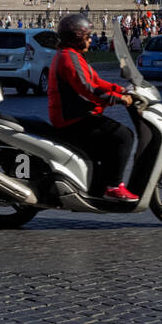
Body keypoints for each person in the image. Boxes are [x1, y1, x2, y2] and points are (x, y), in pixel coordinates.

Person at [48, 13, 138, 202]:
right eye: (87, 36)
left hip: (75, 114)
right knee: (123, 136)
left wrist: (121, 89)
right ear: (77, 38)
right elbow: (88, 89)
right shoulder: (68, 58)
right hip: (73, 118)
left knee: (112, 137)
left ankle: (100, 183)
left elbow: (96, 81)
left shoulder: (72, 55)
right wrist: (118, 99)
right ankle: (113, 187)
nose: (90, 40)